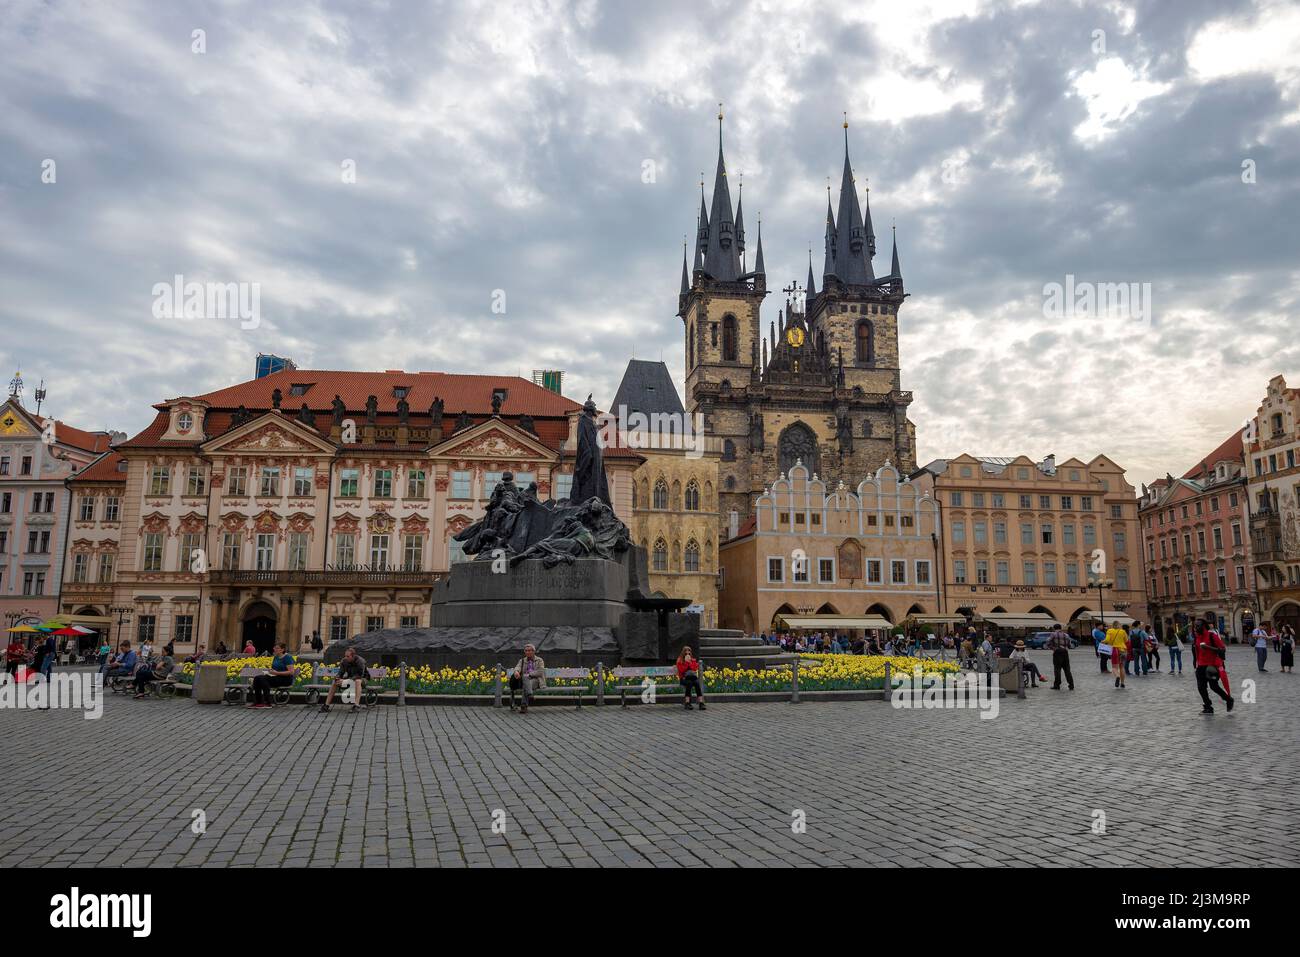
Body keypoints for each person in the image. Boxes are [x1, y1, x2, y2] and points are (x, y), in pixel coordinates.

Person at [1193, 619, 1233, 714]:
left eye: (1197, 626)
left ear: (1203, 626)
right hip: (1201, 666)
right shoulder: (1197, 637)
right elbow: (1196, 652)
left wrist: (1208, 647)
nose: (1195, 628)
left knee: (1214, 686)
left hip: (1212, 666)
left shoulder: (1212, 636)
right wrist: (1196, 664)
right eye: (1195, 626)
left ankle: (1228, 699)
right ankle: (1208, 707)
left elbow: (1223, 649)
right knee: (1201, 687)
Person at [320, 646, 367, 714]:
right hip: (350, 679)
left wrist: (347, 680)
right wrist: (337, 678)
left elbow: (360, 675)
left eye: (348, 656)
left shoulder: (360, 661)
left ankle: (356, 706)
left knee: (357, 681)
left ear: (353, 656)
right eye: (345, 656)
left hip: (362, 680)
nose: (346, 657)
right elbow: (340, 673)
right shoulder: (344, 661)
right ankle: (326, 705)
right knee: (335, 682)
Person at [249, 643, 296, 709]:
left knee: (263, 679)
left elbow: (291, 672)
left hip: (285, 679)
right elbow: (274, 669)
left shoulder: (287, 657)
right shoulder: (276, 657)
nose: (274, 649)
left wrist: (277, 673)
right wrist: (270, 671)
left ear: (282, 650)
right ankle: (258, 702)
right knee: (257, 678)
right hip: (276, 677)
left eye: (277, 648)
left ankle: (267, 702)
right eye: (274, 648)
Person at [509, 643, 545, 714]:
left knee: (526, 679)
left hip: (536, 680)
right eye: (526, 651)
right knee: (525, 680)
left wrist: (529, 674)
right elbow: (518, 667)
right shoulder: (522, 660)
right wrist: (516, 671)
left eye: (530, 650)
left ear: (534, 651)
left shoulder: (539, 660)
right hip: (524, 681)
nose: (528, 652)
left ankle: (524, 706)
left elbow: (540, 672)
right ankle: (529, 694)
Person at [676, 646, 706, 710]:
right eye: (686, 652)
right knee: (689, 683)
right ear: (683, 653)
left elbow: (694, 669)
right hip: (684, 679)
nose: (687, 654)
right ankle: (687, 703)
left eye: (689, 652)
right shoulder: (680, 660)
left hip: (692, 678)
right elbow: (681, 670)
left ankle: (701, 702)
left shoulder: (693, 660)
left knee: (697, 683)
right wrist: (686, 662)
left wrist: (689, 662)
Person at [1046, 623, 1074, 690]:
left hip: (1057, 652)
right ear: (1060, 628)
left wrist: (1052, 648)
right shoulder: (1066, 635)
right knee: (1067, 669)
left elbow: (1047, 642)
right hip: (1065, 652)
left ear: (1054, 628)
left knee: (1057, 669)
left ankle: (1057, 685)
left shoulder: (1053, 634)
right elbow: (1070, 645)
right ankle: (1071, 685)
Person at [1103, 622, 1129, 689]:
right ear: (1119, 625)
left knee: (1114, 668)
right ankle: (1122, 683)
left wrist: (1102, 642)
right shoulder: (1123, 631)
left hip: (1114, 650)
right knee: (1122, 667)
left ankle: (1117, 676)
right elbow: (1126, 641)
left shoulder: (1110, 631)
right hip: (1123, 650)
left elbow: (1107, 640)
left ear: (1112, 625)